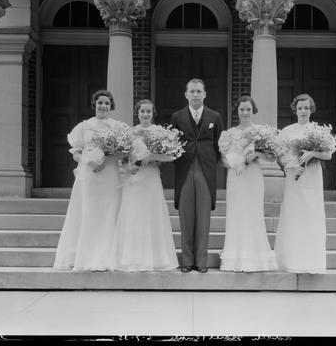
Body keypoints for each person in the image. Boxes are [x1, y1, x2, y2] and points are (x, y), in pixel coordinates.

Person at [53, 90, 126, 271]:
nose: (103, 106)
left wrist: (106, 161)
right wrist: (90, 161)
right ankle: (86, 256)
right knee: (89, 213)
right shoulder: (84, 127)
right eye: (100, 103)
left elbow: (122, 152)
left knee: (108, 213)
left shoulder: (117, 126)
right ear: (94, 104)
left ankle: (107, 256)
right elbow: (76, 153)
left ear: (111, 106)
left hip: (109, 174)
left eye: (107, 103)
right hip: (90, 176)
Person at [107, 100, 178, 271]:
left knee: (151, 214)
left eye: (148, 111)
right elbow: (122, 156)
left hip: (151, 178)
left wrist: (152, 156)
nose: (145, 114)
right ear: (137, 113)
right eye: (142, 111)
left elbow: (171, 156)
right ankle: (132, 258)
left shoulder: (160, 132)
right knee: (133, 215)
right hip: (134, 179)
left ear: (153, 113)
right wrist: (127, 166)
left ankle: (156, 258)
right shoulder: (130, 132)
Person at [274, 93, 335, 274]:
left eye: (306, 108)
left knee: (311, 214)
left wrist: (312, 154)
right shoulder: (288, 131)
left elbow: (329, 154)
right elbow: (281, 155)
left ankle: (311, 261)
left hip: (312, 177)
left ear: (311, 110)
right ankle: (292, 260)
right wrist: (292, 165)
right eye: (300, 108)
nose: (303, 111)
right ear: (295, 109)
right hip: (295, 177)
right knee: (294, 215)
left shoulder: (318, 131)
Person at [218, 96, 278, 272]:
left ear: (253, 111)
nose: (245, 112)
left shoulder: (261, 132)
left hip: (253, 176)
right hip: (236, 176)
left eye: (248, 109)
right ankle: (235, 258)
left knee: (253, 214)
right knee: (237, 214)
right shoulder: (228, 134)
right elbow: (221, 160)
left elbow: (272, 156)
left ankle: (255, 258)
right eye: (242, 109)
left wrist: (256, 155)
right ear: (237, 111)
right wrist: (235, 164)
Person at [170, 78, 224, 273]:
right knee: (186, 215)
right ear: (186, 94)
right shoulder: (177, 116)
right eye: (192, 91)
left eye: (198, 91)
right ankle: (186, 261)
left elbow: (220, 145)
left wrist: (210, 160)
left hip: (205, 170)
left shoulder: (214, 116)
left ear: (204, 94)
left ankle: (201, 262)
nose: (195, 95)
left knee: (203, 217)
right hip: (185, 169)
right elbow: (173, 143)